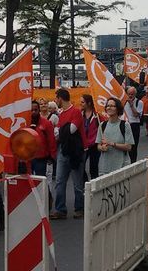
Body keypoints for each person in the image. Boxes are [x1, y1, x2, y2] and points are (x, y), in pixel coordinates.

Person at [51, 89, 86, 220]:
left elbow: (70, 130)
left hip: (75, 152)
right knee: (60, 181)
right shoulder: (62, 114)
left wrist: (60, 130)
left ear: (60, 98)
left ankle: (79, 208)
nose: (55, 101)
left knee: (77, 183)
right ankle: (60, 209)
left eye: (56, 98)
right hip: (64, 150)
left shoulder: (76, 112)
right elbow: (62, 131)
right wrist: (61, 130)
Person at [97, 98, 134, 176]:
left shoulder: (125, 125)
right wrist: (102, 148)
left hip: (121, 167)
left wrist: (112, 144)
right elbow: (98, 146)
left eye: (112, 106)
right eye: (107, 106)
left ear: (118, 109)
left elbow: (129, 147)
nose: (109, 108)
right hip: (105, 168)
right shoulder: (102, 125)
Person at [30, 100, 57, 177]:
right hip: (28, 157)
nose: (33, 112)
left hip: (41, 158)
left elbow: (51, 140)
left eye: (35, 110)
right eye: (31, 110)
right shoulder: (25, 122)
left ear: (39, 110)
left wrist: (52, 156)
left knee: (42, 182)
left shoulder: (47, 123)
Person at [80, 94, 100, 180]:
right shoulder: (80, 113)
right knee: (81, 166)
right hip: (83, 144)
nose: (81, 104)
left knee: (94, 167)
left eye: (82, 102)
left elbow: (101, 128)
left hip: (94, 144)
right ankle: (85, 184)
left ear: (89, 103)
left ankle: (93, 187)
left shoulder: (97, 114)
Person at [123, 87, 143, 163]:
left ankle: (133, 162)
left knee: (133, 147)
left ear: (135, 94)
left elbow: (136, 115)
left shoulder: (139, 102)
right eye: (129, 94)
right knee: (124, 145)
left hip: (134, 125)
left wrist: (131, 105)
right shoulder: (123, 101)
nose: (130, 96)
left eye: (132, 94)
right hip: (125, 124)